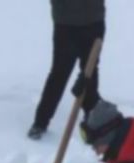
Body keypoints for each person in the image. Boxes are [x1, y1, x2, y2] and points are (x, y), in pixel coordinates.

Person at [27, 0, 106, 140]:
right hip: (66, 23)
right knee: (59, 73)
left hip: (94, 20)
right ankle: (40, 122)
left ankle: (93, 119)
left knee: (90, 72)